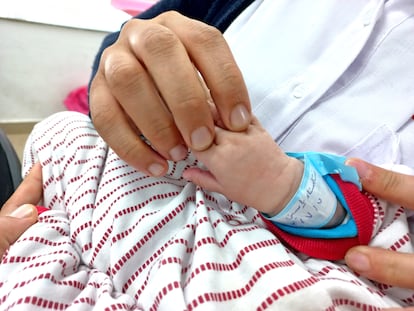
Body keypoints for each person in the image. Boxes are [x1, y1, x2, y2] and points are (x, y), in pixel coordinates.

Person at [1, 0, 413, 309]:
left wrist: (281, 184)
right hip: (91, 216)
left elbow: (371, 221)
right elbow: (119, 54)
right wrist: (132, 74)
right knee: (61, 130)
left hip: (248, 267)